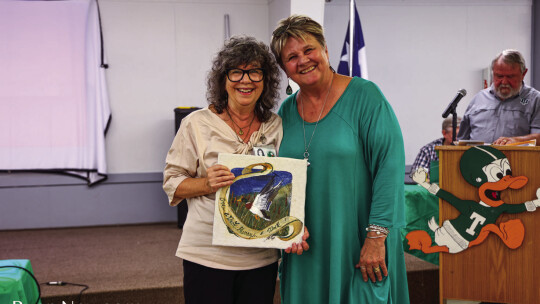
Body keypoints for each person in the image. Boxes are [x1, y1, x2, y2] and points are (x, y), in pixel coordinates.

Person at [271, 15, 410, 304]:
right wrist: (285, 223)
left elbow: (390, 167)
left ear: (325, 50)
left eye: (309, 49)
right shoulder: (285, 112)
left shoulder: (366, 97)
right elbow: (279, 178)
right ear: (285, 69)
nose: (303, 60)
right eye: (292, 57)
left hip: (359, 238)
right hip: (306, 245)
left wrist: (376, 237)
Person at [162, 36, 283, 304]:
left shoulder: (275, 126)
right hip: (207, 253)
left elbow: (285, 185)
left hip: (260, 255)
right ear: (223, 79)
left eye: (254, 72)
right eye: (236, 72)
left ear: (266, 80)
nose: (246, 80)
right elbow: (172, 182)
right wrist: (206, 183)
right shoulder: (197, 124)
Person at [458, 49, 540, 143]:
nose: (504, 82)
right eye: (499, 76)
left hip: (516, 157)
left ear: (523, 74)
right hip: (479, 157)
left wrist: (517, 141)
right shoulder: (478, 99)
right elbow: (462, 141)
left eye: (510, 77)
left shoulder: (535, 100)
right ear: (493, 73)